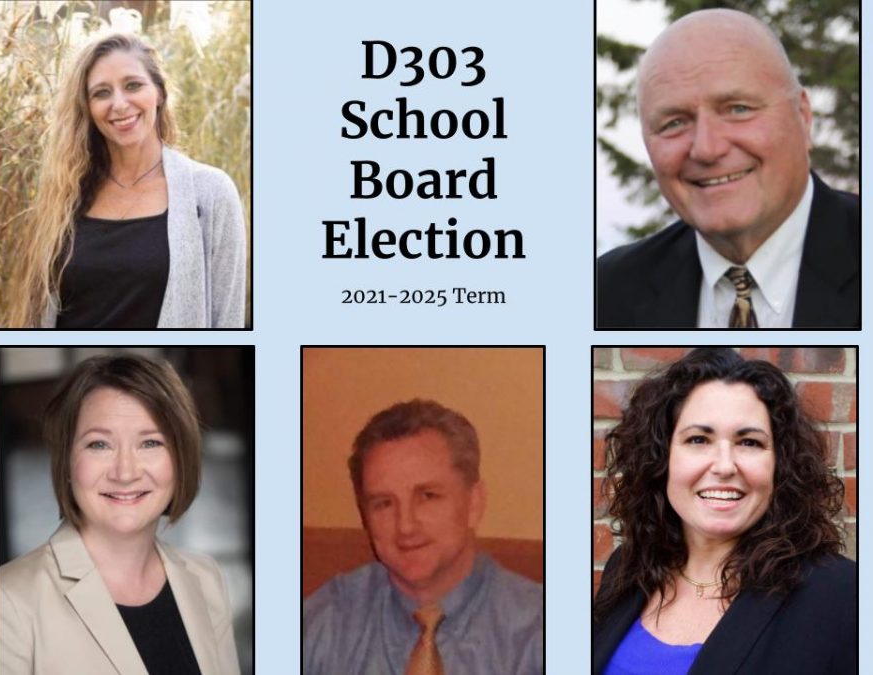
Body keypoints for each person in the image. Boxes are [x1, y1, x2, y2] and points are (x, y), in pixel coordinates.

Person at [592, 348, 856, 674]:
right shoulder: (628, 569)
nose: (724, 466)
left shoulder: (841, 594)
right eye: (699, 439)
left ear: (780, 464)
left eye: (749, 443)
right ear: (662, 460)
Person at [596, 9, 859, 329]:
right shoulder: (605, 294)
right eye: (674, 123)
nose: (707, 148)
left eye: (738, 109)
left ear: (803, 118)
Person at [0, 355, 240, 674]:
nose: (125, 472)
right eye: (99, 445)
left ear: (181, 457)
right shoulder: (5, 601)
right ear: (67, 462)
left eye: (150, 443)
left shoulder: (206, 579)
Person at [2, 32, 246, 328]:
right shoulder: (64, 194)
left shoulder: (210, 193)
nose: (119, 104)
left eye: (133, 85)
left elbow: (228, 321)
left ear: (159, 93)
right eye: (101, 93)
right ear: (87, 109)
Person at [303, 399, 543, 675]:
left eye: (427, 496)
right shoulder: (322, 625)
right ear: (364, 516)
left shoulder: (539, 632)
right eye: (384, 503)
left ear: (474, 503)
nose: (405, 526)